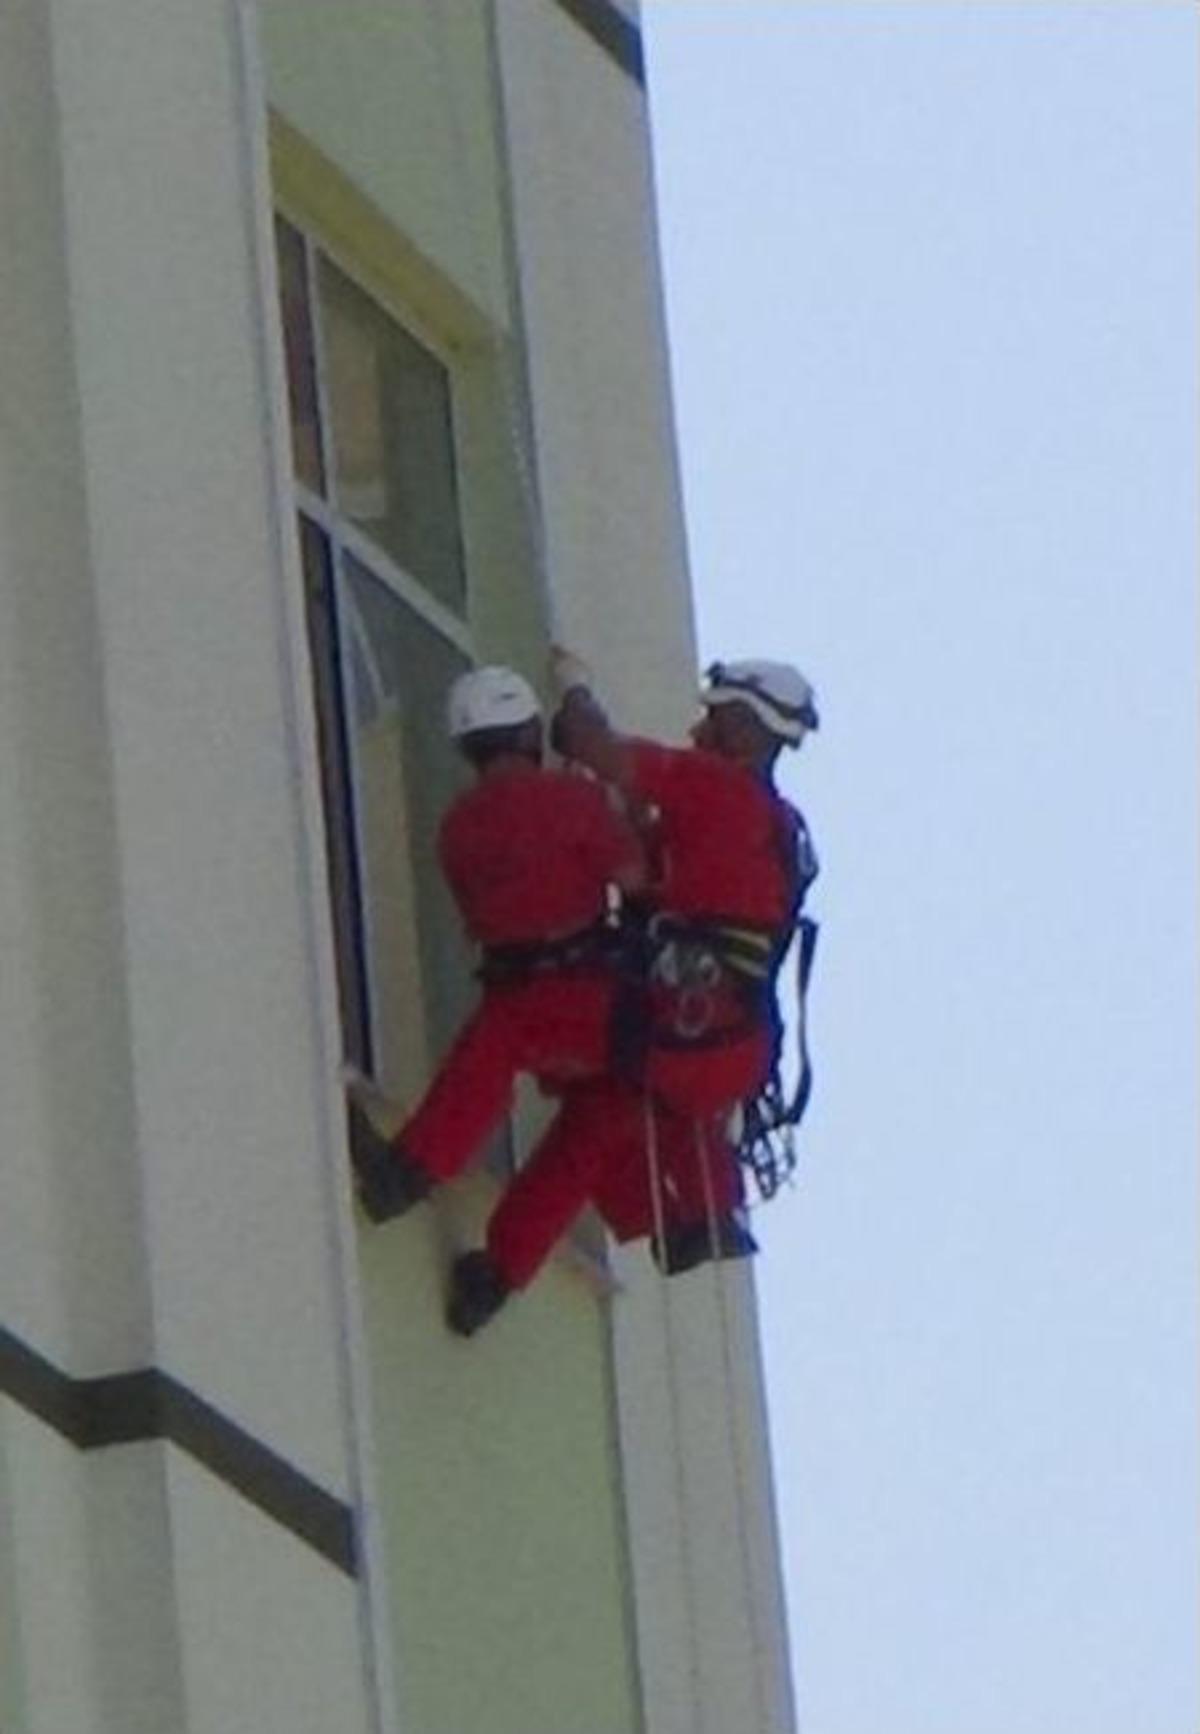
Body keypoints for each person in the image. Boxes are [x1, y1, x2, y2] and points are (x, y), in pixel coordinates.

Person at [443, 652, 820, 1323]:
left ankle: (408, 1169)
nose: (700, 728)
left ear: (749, 730)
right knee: (594, 1122)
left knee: (514, 1024)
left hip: (680, 1023)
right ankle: (497, 1275)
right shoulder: (773, 826)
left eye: (716, 716)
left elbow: (593, 748)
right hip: (727, 1040)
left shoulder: (712, 787)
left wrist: (577, 691)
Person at [347, 664, 647, 1331]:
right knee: (587, 1138)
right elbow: (636, 876)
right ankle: (497, 1275)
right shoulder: (574, 801)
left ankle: (406, 1173)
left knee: (481, 1071)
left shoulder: (457, 829)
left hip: (518, 998)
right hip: (601, 1004)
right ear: (531, 730)